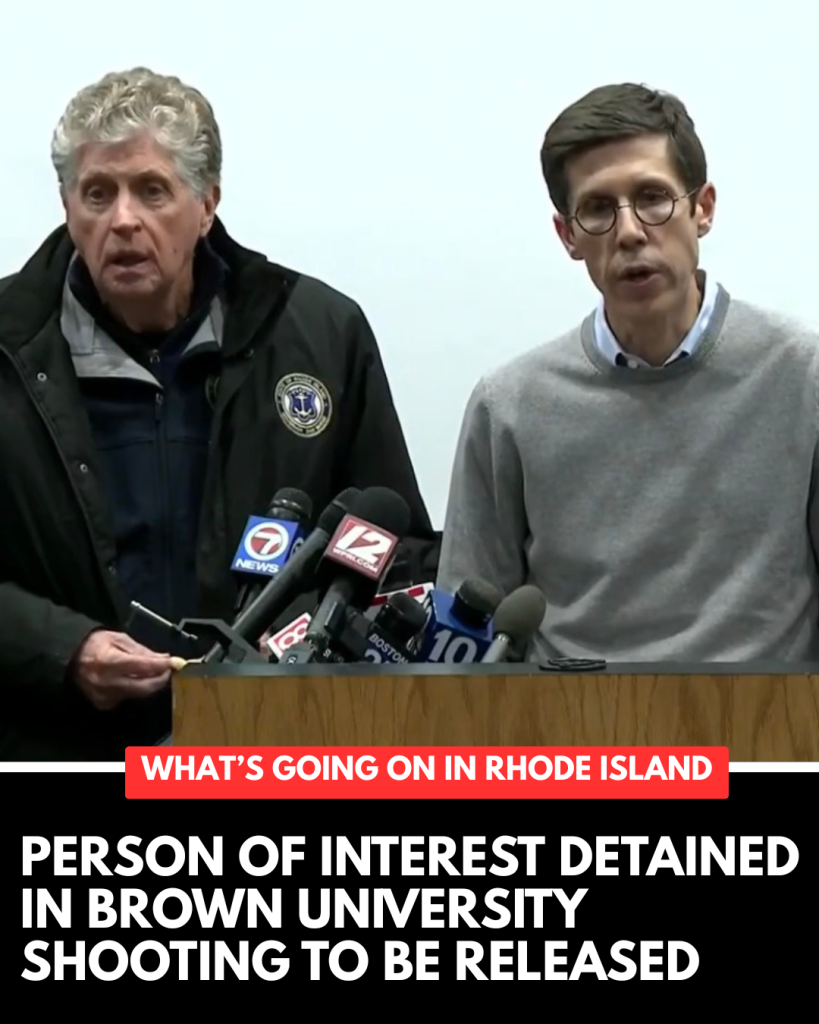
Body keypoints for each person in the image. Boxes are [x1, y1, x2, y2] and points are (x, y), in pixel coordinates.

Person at [0, 67, 439, 761]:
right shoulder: (9, 345)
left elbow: (396, 546)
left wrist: (295, 642)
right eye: (97, 193)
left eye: (152, 190)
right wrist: (63, 649)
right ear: (66, 205)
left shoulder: (320, 334)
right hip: (56, 748)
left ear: (207, 202)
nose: (123, 220)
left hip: (272, 746)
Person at [437, 82, 819, 664]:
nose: (630, 231)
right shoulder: (509, 405)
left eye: (653, 198)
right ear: (568, 235)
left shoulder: (803, 376)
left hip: (765, 716)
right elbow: (463, 638)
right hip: (573, 720)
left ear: (703, 208)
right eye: (597, 209)